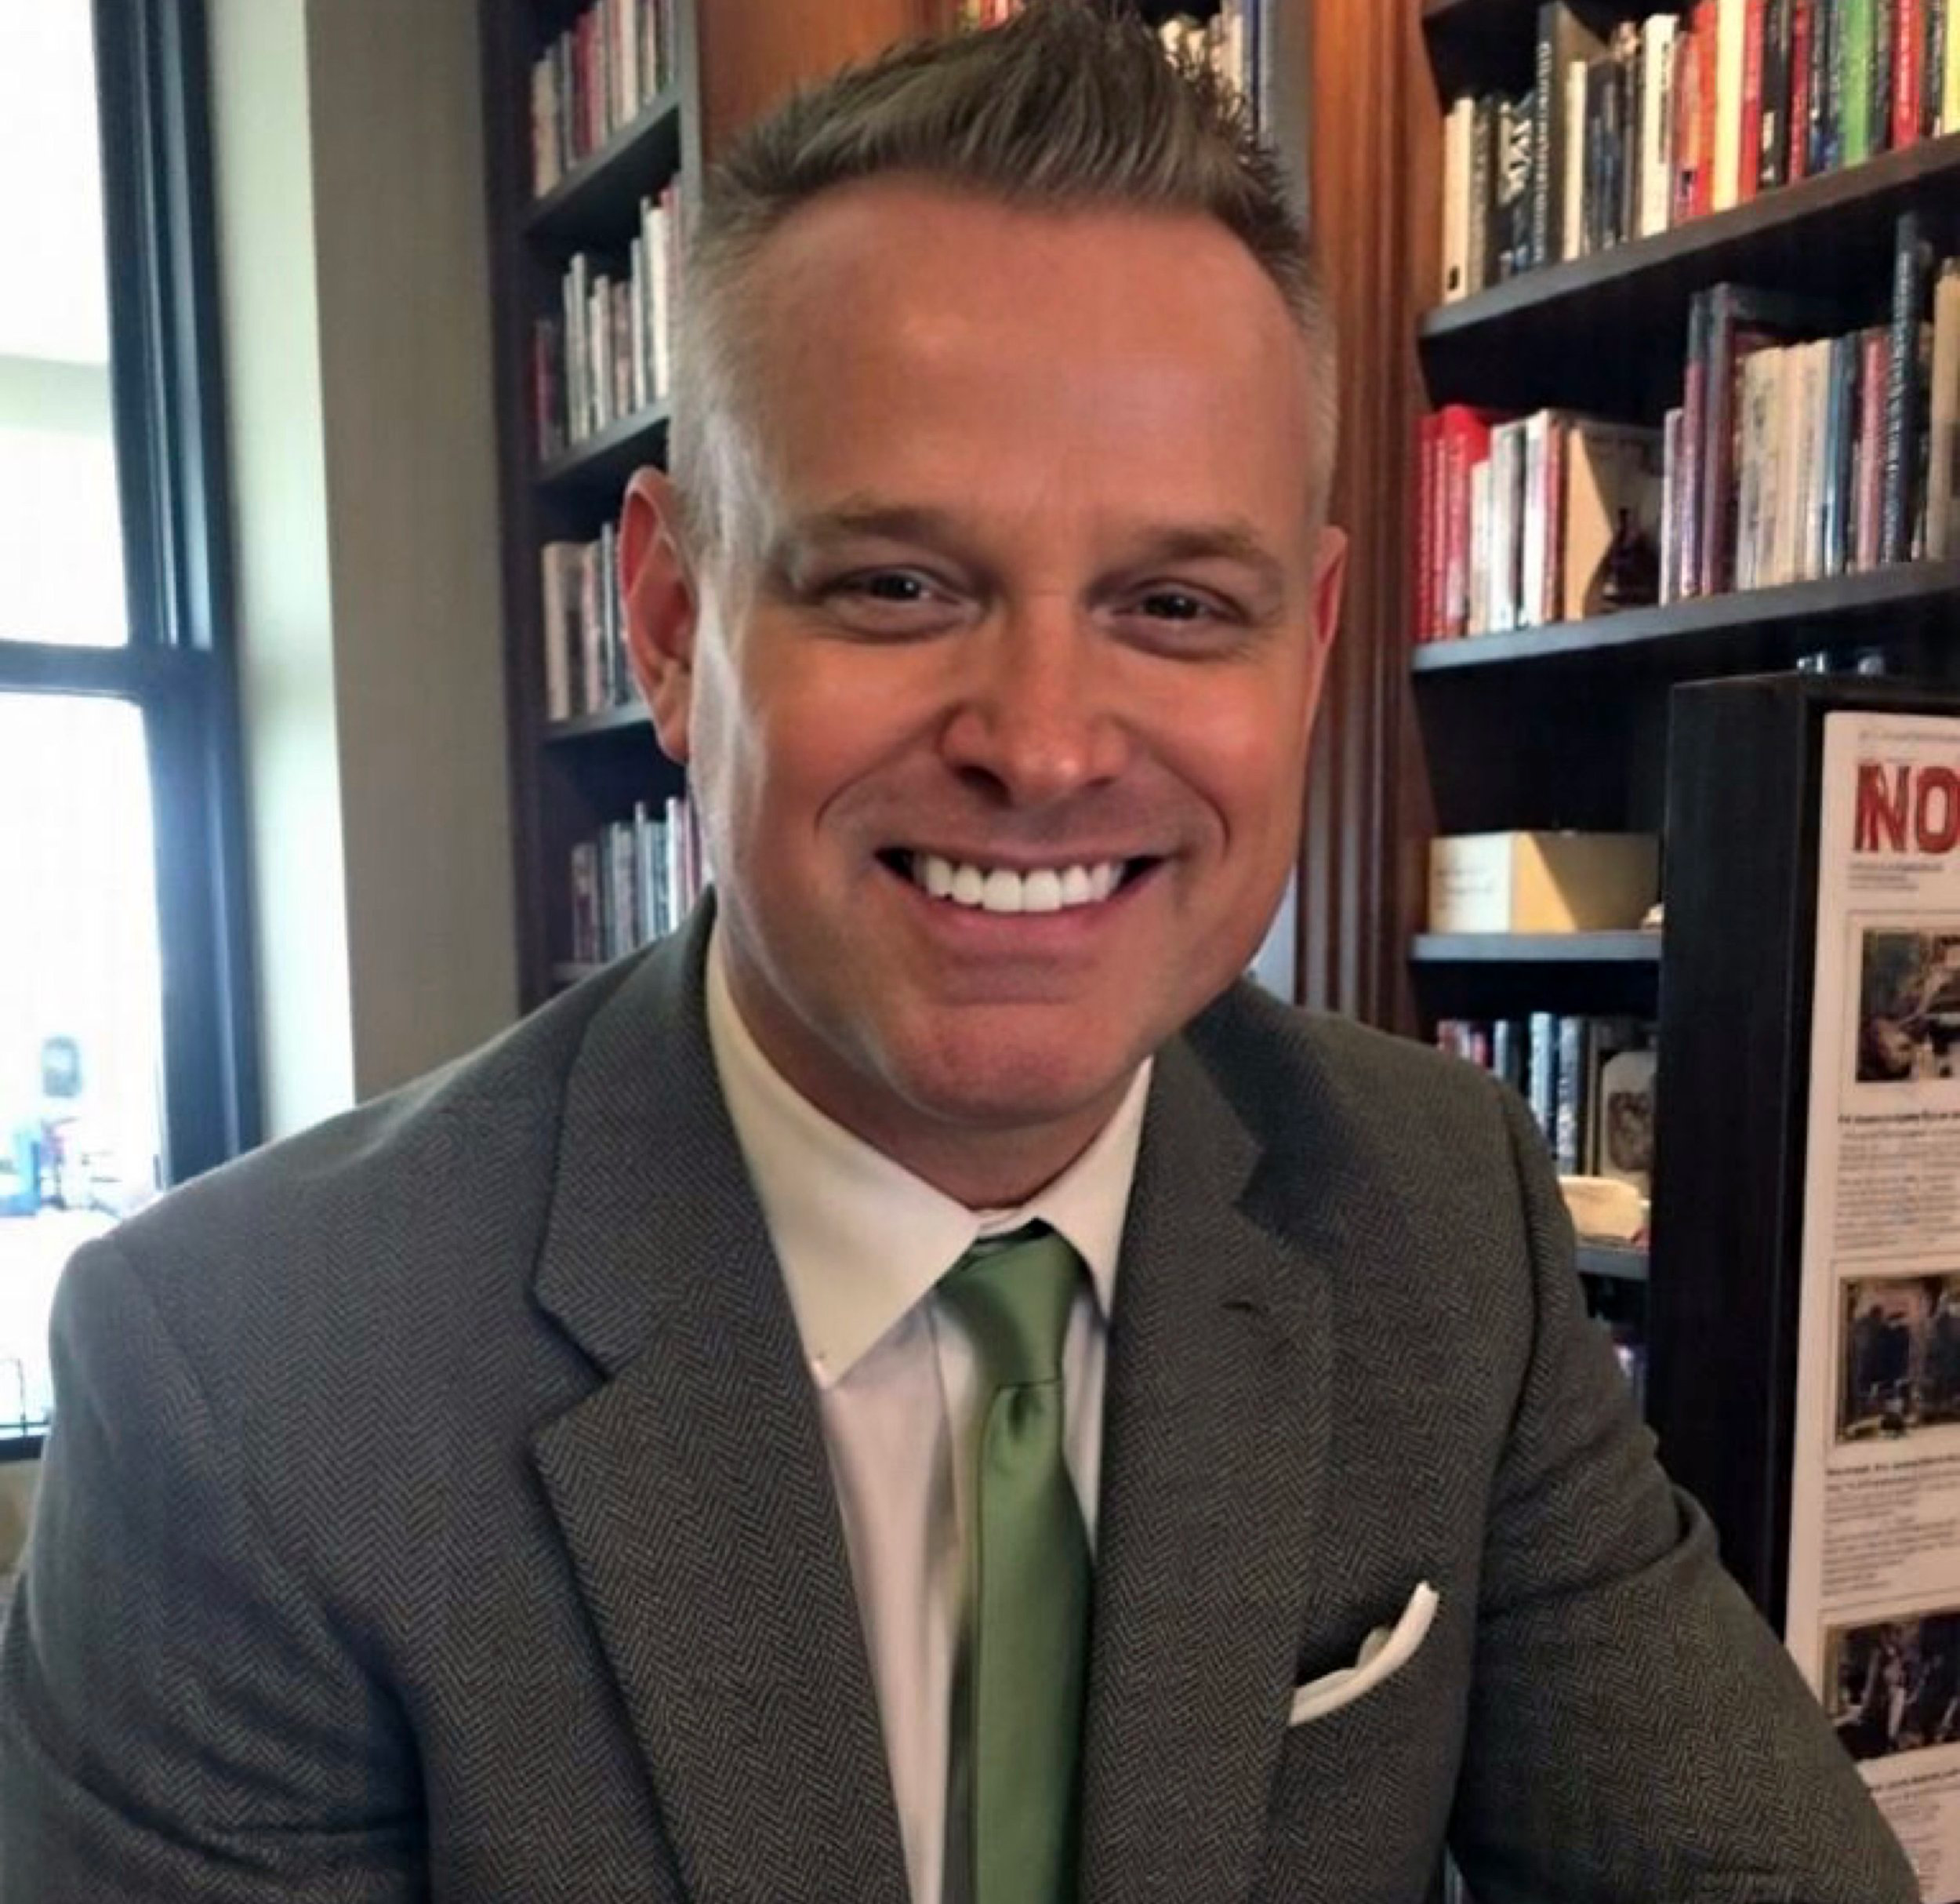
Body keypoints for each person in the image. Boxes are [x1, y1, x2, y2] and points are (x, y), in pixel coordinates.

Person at [0, 8, 1917, 1901]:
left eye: (1174, 602)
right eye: (898, 585)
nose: (1048, 739)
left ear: (1311, 643)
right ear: (670, 624)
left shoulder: (1433, 1208)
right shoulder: (250, 1379)